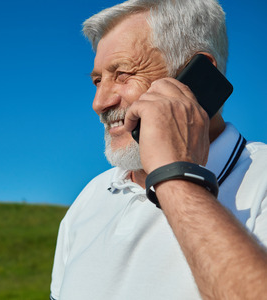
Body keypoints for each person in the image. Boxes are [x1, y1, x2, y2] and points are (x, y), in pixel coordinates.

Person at [50, 0, 267, 299]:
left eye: (123, 74)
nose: (99, 103)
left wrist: (177, 177)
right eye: (98, 80)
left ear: (197, 76)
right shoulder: (89, 199)